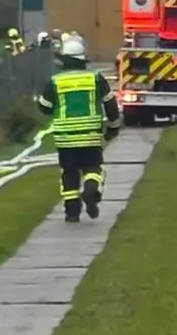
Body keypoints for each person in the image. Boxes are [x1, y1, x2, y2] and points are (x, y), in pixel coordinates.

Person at [36, 34, 122, 222]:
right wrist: (114, 126)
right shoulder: (96, 78)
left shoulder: (55, 81)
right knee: (93, 169)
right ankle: (91, 189)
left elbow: (44, 107)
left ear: (64, 60)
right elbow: (110, 104)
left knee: (69, 173)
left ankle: (72, 212)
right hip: (90, 135)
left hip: (65, 138)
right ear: (83, 59)